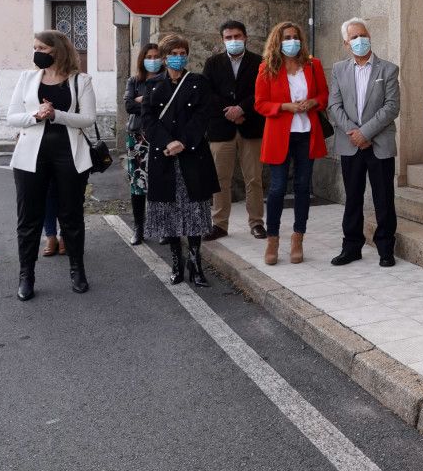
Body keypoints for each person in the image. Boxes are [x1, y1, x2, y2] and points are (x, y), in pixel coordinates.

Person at [7, 30, 95, 300]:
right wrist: (36, 113)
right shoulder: (27, 78)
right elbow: (12, 117)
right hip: (31, 156)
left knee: (71, 215)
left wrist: (57, 115)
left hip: (69, 154)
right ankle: (26, 276)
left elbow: (88, 118)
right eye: (35, 47)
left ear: (57, 50)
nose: (37, 53)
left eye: (42, 48)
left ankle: (77, 270)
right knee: (28, 218)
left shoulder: (81, 80)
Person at [141, 35, 220, 287]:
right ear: (164, 58)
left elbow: (203, 115)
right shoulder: (153, 86)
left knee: (195, 211)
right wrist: (167, 143)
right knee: (169, 213)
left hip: (192, 155)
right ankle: (176, 262)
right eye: (174, 52)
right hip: (163, 158)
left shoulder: (198, 82)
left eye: (182, 52)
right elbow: (148, 121)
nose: (179, 56)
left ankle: (195, 263)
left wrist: (183, 142)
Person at [255, 22, 329, 266]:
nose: (291, 41)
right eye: (287, 37)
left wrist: (312, 103)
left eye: (295, 37)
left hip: (306, 133)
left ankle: (298, 238)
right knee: (276, 188)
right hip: (279, 135)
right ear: (278, 41)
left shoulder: (312, 65)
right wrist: (284, 107)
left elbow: (324, 95)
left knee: (302, 187)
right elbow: (260, 104)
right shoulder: (267, 68)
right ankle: (273, 239)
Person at [330, 16, 400, 268]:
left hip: (378, 143)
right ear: (346, 44)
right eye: (354, 37)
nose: (360, 40)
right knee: (353, 198)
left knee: (384, 197)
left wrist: (366, 133)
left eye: (363, 35)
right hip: (350, 143)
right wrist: (354, 133)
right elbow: (334, 106)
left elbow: (392, 107)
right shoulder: (339, 69)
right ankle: (351, 247)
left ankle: (385, 248)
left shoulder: (388, 69)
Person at [201, 20, 266, 241]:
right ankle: (219, 224)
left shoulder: (259, 62)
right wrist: (228, 112)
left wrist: (242, 110)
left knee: (254, 178)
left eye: (237, 36)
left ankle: (256, 222)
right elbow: (207, 94)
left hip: (251, 126)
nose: (233, 41)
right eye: (228, 38)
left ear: (245, 37)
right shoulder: (212, 63)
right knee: (220, 179)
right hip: (221, 128)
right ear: (222, 40)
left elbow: (262, 93)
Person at [122, 42, 163, 245]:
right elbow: (129, 105)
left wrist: (143, 101)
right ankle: (139, 227)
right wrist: (149, 102)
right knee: (138, 184)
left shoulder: (166, 79)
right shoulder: (134, 80)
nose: (153, 60)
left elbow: (163, 107)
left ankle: (162, 226)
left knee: (160, 183)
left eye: (157, 56)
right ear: (142, 59)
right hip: (137, 137)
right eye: (149, 56)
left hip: (160, 137)